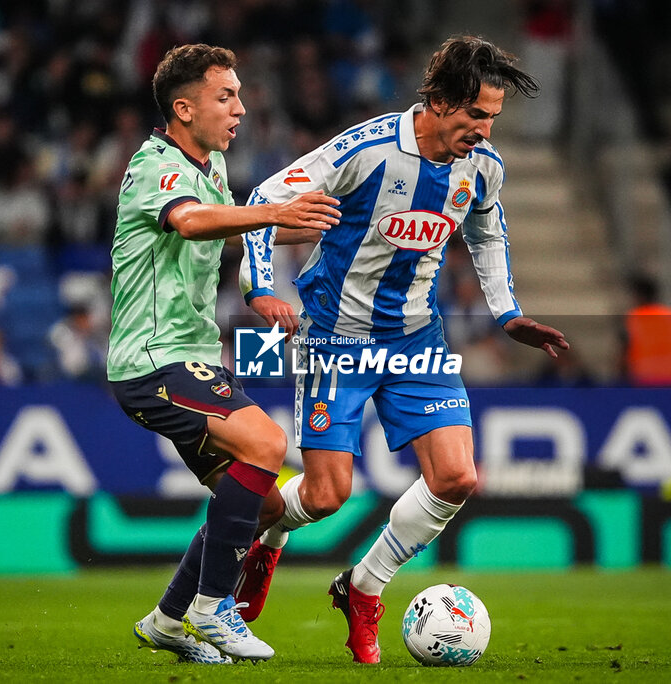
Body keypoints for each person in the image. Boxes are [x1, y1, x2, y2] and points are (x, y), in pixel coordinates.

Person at [237, 36, 569, 663]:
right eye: (476, 115)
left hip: (417, 338)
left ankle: (363, 588)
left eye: (493, 116)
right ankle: (266, 538)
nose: (484, 128)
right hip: (335, 337)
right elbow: (264, 199)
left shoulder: (483, 166)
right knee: (326, 494)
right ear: (440, 103)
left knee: (456, 477)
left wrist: (508, 313)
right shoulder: (366, 150)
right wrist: (260, 291)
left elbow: (488, 231)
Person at [105, 44, 341, 664]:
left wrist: (322, 223)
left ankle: (165, 620)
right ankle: (214, 607)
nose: (240, 107)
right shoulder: (155, 166)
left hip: (193, 357)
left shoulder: (208, 170)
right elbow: (189, 222)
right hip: (153, 359)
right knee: (266, 445)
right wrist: (272, 210)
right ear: (184, 108)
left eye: (238, 94)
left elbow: (244, 225)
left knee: (259, 502)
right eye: (225, 96)